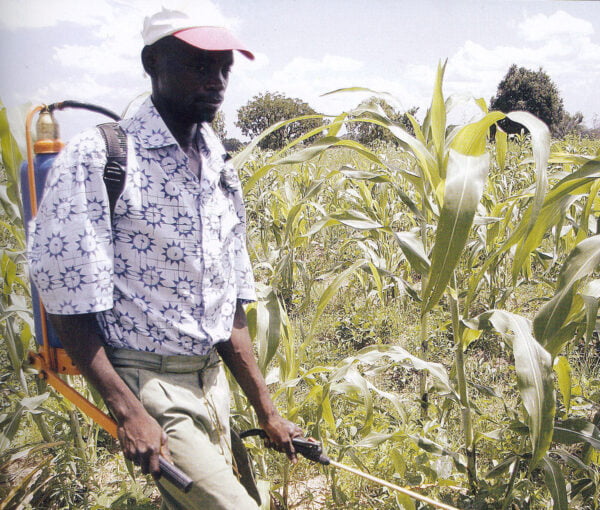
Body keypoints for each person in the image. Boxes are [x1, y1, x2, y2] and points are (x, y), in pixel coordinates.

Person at [27, 7, 302, 509]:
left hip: (210, 381)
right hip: (145, 378)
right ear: (152, 62)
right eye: (199, 66)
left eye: (223, 69)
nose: (215, 82)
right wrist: (127, 410)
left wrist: (266, 409)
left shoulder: (219, 163)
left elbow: (230, 298)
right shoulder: (100, 155)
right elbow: (65, 295)